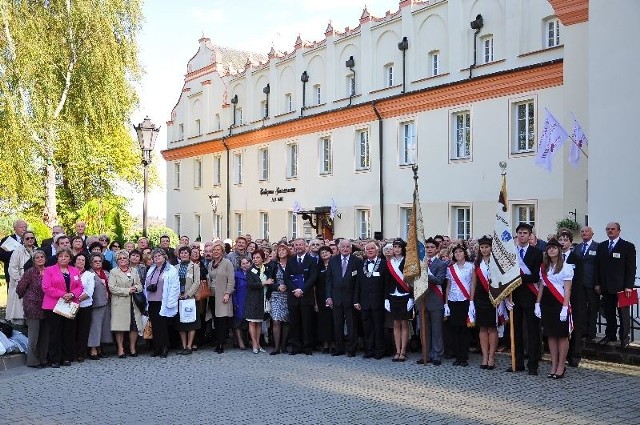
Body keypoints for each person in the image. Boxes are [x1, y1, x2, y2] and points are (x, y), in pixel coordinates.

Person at [508, 222, 543, 375]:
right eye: (520, 233)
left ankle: (533, 365)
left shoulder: (537, 253)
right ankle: (517, 362)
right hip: (514, 296)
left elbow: (536, 276)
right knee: (516, 331)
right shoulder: (510, 253)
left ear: (530, 236)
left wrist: (519, 278)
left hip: (530, 296)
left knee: (532, 331)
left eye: (525, 233)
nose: (522, 235)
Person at [535, 239, 573, 379]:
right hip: (547, 304)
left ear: (559, 250)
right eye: (549, 248)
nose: (551, 250)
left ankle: (561, 366)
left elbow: (568, 290)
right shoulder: (544, 267)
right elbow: (541, 287)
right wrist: (537, 304)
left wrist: (564, 307)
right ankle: (553, 364)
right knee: (551, 335)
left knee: (562, 335)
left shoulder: (566, 267)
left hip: (560, 303)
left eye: (554, 248)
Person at [595, 222, 637, 348]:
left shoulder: (627, 246)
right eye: (607, 229)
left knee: (623, 314)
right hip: (606, 287)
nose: (610, 231)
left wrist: (629, 285)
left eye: (613, 229)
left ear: (619, 231)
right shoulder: (601, 246)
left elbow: (631, 268)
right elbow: (597, 267)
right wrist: (597, 283)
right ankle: (610, 335)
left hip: (622, 288)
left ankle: (624, 338)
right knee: (609, 313)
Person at [42, 247, 83, 367]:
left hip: (70, 305)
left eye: (66, 256)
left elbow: (80, 287)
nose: (63, 258)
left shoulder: (75, 271)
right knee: (55, 333)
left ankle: (66, 358)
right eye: (61, 256)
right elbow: (46, 287)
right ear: (57, 257)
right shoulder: (49, 270)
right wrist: (63, 294)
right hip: (53, 306)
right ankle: (54, 359)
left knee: (68, 332)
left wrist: (73, 294)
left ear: (70, 258)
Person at [16, 250, 49, 368]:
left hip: (47, 306)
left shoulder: (49, 271)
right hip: (32, 306)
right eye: (37, 257)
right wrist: (28, 298)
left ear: (45, 258)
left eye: (42, 257)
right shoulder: (30, 272)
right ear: (33, 260)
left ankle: (43, 359)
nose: (40, 259)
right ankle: (33, 361)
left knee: (45, 335)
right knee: (34, 335)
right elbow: (20, 288)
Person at [109, 250, 144, 358]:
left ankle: (132, 347)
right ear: (117, 261)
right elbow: (112, 287)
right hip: (120, 302)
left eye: (124, 258)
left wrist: (136, 288)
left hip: (133, 302)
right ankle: (120, 348)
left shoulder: (134, 270)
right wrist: (127, 290)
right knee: (120, 327)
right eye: (120, 258)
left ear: (128, 259)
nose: (122, 260)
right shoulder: (113, 272)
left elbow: (140, 285)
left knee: (134, 326)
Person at [470, 236, 498, 369]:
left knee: (492, 327)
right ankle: (484, 356)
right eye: (482, 247)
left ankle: (491, 356)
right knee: (482, 328)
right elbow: (473, 284)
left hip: (494, 297)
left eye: (487, 247)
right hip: (480, 298)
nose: (484, 249)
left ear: (491, 248)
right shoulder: (476, 263)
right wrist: (471, 300)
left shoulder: (496, 262)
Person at [145, 248, 180, 357]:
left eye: (159, 256)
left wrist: (171, 302)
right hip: (152, 301)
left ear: (164, 257)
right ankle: (157, 347)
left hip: (163, 301)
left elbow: (175, 287)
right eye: (155, 256)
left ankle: (164, 347)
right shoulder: (152, 269)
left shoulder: (171, 270)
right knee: (155, 325)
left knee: (163, 326)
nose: (157, 258)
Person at [354, 241, 386, 360]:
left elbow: (385, 283)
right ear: (365, 251)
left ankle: (379, 350)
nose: (370, 250)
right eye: (368, 249)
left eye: (372, 248)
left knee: (378, 327)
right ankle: (369, 350)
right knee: (367, 328)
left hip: (378, 301)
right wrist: (356, 300)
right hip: (364, 302)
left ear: (377, 251)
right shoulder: (361, 264)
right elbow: (357, 284)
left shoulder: (383, 264)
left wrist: (386, 300)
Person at [556, 229, 583, 367]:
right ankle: (560, 355)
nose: (562, 243)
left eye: (565, 240)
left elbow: (579, 279)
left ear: (571, 242)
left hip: (573, 296)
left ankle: (574, 356)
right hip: (557, 297)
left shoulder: (576, 258)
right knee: (559, 327)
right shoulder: (554, 257)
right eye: (560, 240)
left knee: (574, 326)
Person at [286, 238, 317, 355]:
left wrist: (302, 290)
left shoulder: (312, 260)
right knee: (294, 323)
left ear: (305, 246)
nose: (298, 247)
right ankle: (296, 347)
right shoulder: (290, 261)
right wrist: (295, 290)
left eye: (300, 245)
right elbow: (287, 278)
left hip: (306, 296)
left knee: (307, 323)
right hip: (293, 297)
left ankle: (307, 347)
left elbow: (313, 278)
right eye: (296, 245)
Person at [382, 238, 412, 362]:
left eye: (399, 247)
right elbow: (386, 281)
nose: (397, 249)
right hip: (393, 295)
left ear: (403, 248)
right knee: (395, 324)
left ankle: (403, 351)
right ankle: (397, 350)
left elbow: (411, 280)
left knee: (404, 323)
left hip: (405, 295)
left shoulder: (408, 261)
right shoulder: (389, 262)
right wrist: (386, 298)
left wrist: (411, 297)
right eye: (395, 247)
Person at [444, 244, 474, 367]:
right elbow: (448, 286)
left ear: (464, 253)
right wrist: (446, 303)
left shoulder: (471, 267)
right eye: (455, 252)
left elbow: (473, 285)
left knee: (464, 329)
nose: (458, 254)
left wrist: (471, 301)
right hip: (453, 300)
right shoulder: (451, 268)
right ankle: (457, 355)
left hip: (465, 299)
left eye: (460, 251)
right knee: (454, 329)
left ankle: (464, 356)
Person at [419, 237, 447, 366]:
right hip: (422, 299)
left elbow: (440, 280)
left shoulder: (441, 264)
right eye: (427, 247)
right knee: (424, 329)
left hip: (435, 299)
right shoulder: (420, 263)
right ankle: (426, 354)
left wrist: (425, 274)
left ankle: (437, 354)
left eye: (432, 247)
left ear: (437, 249)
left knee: (436, 330)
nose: (429, 249)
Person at [207, 242, 235, 353]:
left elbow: (231, 280)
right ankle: (217, 342)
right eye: (214, 250)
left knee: (222, 320)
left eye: (218, 250)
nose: (215, 252)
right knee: (215, 319)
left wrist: (228, 293)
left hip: (223, 295)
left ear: (222, 252)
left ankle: (221, 344)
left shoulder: (227, 263)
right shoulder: (210, 264)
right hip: (212, 295)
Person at [175, 246, 202, 355]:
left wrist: (188, 294)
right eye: (182, 253)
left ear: (189, 255)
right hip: (179, 298)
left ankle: (189, 346)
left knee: (191, 322)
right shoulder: (175, 267)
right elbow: (173, 282)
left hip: (190, 298)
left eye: (186, 253)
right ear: (179, 255)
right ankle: (184, 345)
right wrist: (177, 294)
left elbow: (197, 282)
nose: (184, 255)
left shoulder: (194, 266)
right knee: (181, 323)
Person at [574, 226, 599, 341]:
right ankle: (582, 331)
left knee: (593, 308)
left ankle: (591, 332)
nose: (584, 233)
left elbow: (600, 266)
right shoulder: (577, 248)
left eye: (586, 231)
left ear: (592, 234)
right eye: (582, 231)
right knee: (581, 308)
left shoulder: (598, 247)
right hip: (579, 284)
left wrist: (598, 283)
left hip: (592, 283)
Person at [7, 230, 37, 325]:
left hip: (34, 281)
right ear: (23, 240)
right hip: (21, 280)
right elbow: (12, 268)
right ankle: (20, 322)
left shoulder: (37, 250)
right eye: (27, 238)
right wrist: (20, 281)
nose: (30, 240)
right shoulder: (17, 251)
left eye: (32, 238)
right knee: (19, 304)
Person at [86, 252, 112, 360]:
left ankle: (100, 348)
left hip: (107, 303)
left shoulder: (106, 273)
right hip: (95, 304)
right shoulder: (88, 274)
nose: (97, 263)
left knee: (104, 327)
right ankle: (93, 348)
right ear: (91, 263)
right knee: (95, 327)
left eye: (99, 261)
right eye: (95, 261)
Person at [244, 255, 270, 353]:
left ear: (262, 259)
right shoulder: (250, 270)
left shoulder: (266, 269)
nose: (255, 259)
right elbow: (250, 284)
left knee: (259, 321)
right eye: (254, 257)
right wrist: (264, 283)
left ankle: (258, 343)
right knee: (252, 321)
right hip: (253, 299)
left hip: (263, 298)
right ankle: (254, 343)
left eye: (258, 257)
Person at [268, 243, 290, 355]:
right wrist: (277, 286)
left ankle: (284, 346)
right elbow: (269, 281)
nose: (281, 251)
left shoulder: (292, 263)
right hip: (276, 295)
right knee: (276, 320)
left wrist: (289, 286)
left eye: (283, 250)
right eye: (279, 250)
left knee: (286, 321)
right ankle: (276, 347)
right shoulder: (273, 265)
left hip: (288, 295)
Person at [73, 253, 93, 362]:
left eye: (83, 260)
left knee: (83, 331)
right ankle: (71, 353)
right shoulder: (69, 273)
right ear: (74, 261)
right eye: (78, 259)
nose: (80, 261)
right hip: (70, 306)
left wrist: (77, 299)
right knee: (71, 330)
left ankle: (81, 353)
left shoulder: (89, 275)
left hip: (85, 306)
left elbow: (89, 292)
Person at [315, 245, 334, 354]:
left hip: (333, 296)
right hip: (321, 296)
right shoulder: (319, 267)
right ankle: (326, 344)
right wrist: (316, 302)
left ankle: (334, 343)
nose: (324, 254)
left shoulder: (335, 264)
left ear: (331, 253)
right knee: (324, 321)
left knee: (334, 320)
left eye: (326, 252)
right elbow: (315, 284)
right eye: (322, 253)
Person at [1, 219, 28, 285]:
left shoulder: (30, 239)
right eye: (21, 227)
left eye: (25, 227)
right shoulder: (7, 240)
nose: (24, 229)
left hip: (28, 273)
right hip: (12, 274)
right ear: (15, 228)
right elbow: (1, 256)